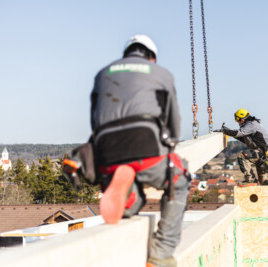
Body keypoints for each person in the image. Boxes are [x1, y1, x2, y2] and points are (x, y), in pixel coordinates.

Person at [90, 34, 189, 267]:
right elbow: (173, 120)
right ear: (152, 58)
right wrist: (169, 143)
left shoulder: (102, 74)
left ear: (126, 54)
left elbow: (94, 119)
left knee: (125, 177)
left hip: (106, 153)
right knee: (179, 179)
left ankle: (129, 197)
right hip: (146, 147)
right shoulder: (161, 74)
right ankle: (162, 253)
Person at [215, 108, 268, 186]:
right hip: (264, 154)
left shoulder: (251, 124)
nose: (238, 123)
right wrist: (228, 131)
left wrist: (224, 131)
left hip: (265, 153)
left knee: (242, 156)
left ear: (242, 119)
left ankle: (250, 180)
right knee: (265, 182)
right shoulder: (249, 126)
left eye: (238, 121)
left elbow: (239, 133)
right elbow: (242, 137)